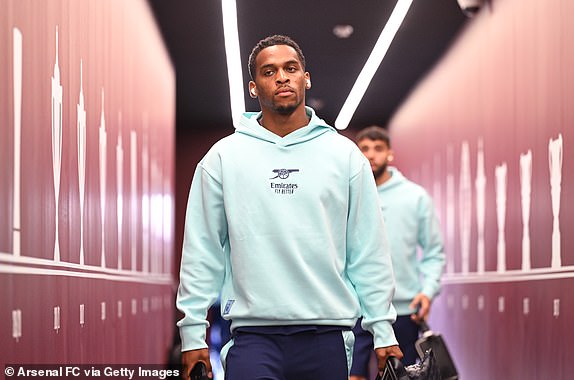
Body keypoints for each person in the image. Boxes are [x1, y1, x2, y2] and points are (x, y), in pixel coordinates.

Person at [176, 35, 402, 380]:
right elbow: (201, 251)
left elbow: (368, 250)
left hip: (326, 335)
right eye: (269, 71)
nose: (281, 77)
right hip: (253, 337)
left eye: (290, 68)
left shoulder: (344, 157)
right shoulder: (223, 158)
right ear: (254, 87)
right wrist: (193, 334)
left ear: (306, 78)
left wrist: (383, 328)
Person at [349, 126, 446, 380]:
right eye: (365, 149)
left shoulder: (415, 197)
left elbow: (434, 251)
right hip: (353, 308)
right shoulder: (347, 195)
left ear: (390, 154)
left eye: (378, 149)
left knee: (400, 377)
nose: (371, 155)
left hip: (402, 309)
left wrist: (428, 291)